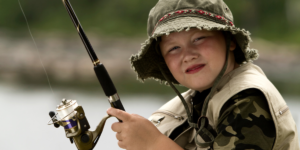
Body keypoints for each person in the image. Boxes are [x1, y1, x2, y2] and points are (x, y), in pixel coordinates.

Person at [107, 0, 300, 150]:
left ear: (230, 41)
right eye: (174, 48)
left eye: (199, 38)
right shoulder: (191, 101)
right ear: (164, 62)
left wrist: (153, 143)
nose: (188, 55)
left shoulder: (248, 100)